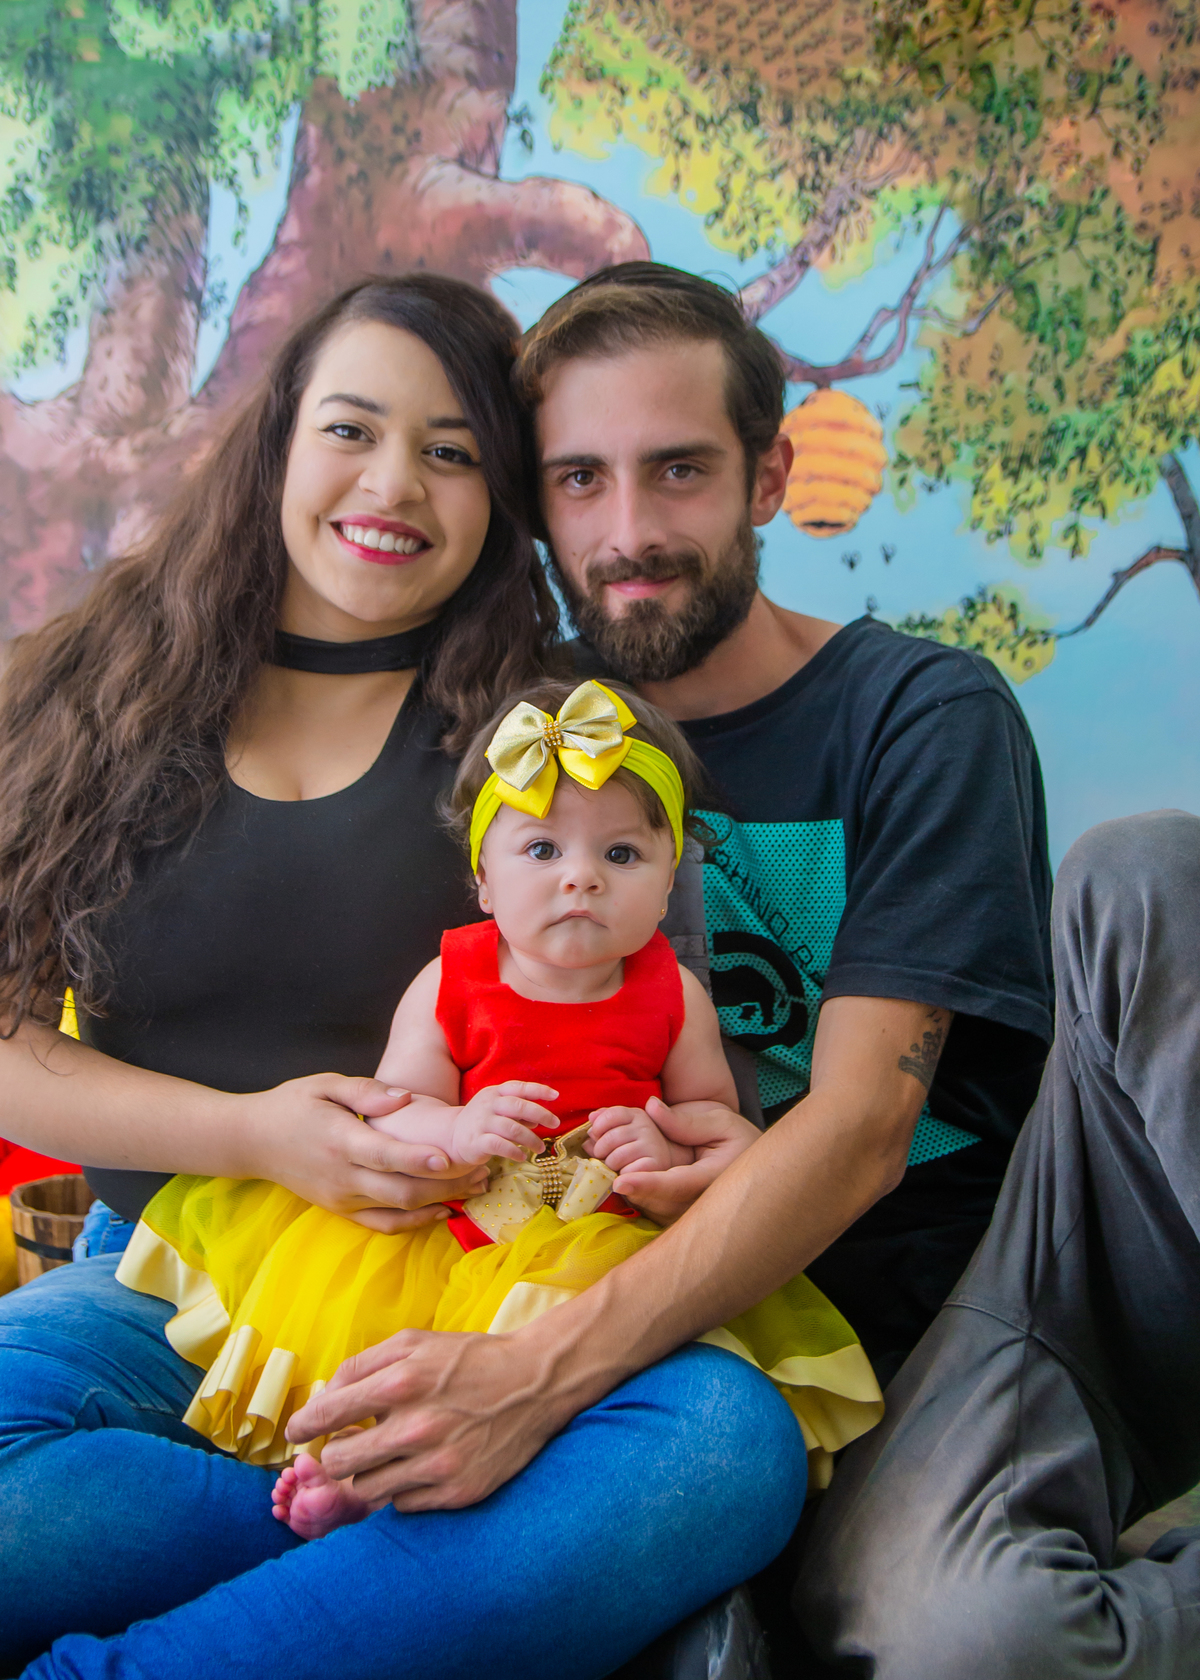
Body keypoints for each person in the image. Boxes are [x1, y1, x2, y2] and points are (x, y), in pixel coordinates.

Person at [0, 276, 807, 1678]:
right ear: (279, 441)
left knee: (721, 1451)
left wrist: (699, 1141)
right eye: (352, 429)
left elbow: (651, 1012)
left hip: (487, 1291)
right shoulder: (89, 690)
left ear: (502, 501)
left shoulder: (542, 738)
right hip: (168, 1283)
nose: (394, 485)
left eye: (451, 451)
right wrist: (258, 1135)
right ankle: (439, 1572)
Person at [268, 263, 1054, 1545]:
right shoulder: (520, 733)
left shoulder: (923, 717)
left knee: (946, 1628)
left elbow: (864, 1128)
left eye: (679, 469)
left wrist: (535, 1377)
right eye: (580, 478)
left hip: (904, 1306)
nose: (627, 531)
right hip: (584, 1279)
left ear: (770, 477)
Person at [114, 676, 878, 1537]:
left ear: (668, 883)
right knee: (382, 1342)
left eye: (621, 855)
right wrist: (457, 1127)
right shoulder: (454, 977)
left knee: (588, 1370)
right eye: (542, 850)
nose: (581, 878)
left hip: (598, 1239)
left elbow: (709, 1116)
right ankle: (350, 1459)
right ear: (483, 879)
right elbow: (393, 1108)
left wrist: (663, 1150)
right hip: (457, 1229)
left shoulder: (673, 994)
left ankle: (431, 1490)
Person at [795, 809, 1200, 1679]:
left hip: (1030, 1232)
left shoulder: (920, 730)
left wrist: (552, 1369)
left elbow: (862, 1132)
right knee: (967, 1636)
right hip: (1001, 1333)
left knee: (1143, 867)